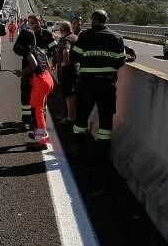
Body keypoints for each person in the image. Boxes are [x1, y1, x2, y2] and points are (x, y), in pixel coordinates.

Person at [70, 10, 127, 158]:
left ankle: (79, 146)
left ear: (92, 20)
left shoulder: (84, 36)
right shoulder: (117, 37)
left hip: (86, 84)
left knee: (82, 116)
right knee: (105, 118)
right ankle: (102, 151)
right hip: (106, 85)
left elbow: (74, 57)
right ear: (106, 20)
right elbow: (121, 61)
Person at [13, 29, 54, 149]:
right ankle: (39, 134)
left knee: (37, 111)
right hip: (48, 79)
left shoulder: (28, 51)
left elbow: (34, 65)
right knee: (38, 109)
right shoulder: (40, 49)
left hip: (41, 82)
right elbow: (47, 66)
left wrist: (22, 72)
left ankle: (41, 141)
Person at [54, 21, 77, 124]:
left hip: (67, 72)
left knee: (69, 94)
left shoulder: (67, 39)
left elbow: (66, 51)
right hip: (73, 70)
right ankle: (66, 114)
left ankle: (70, 118)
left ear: (62, 30)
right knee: (67, 93)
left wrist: (64, 63)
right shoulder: (75, 37)